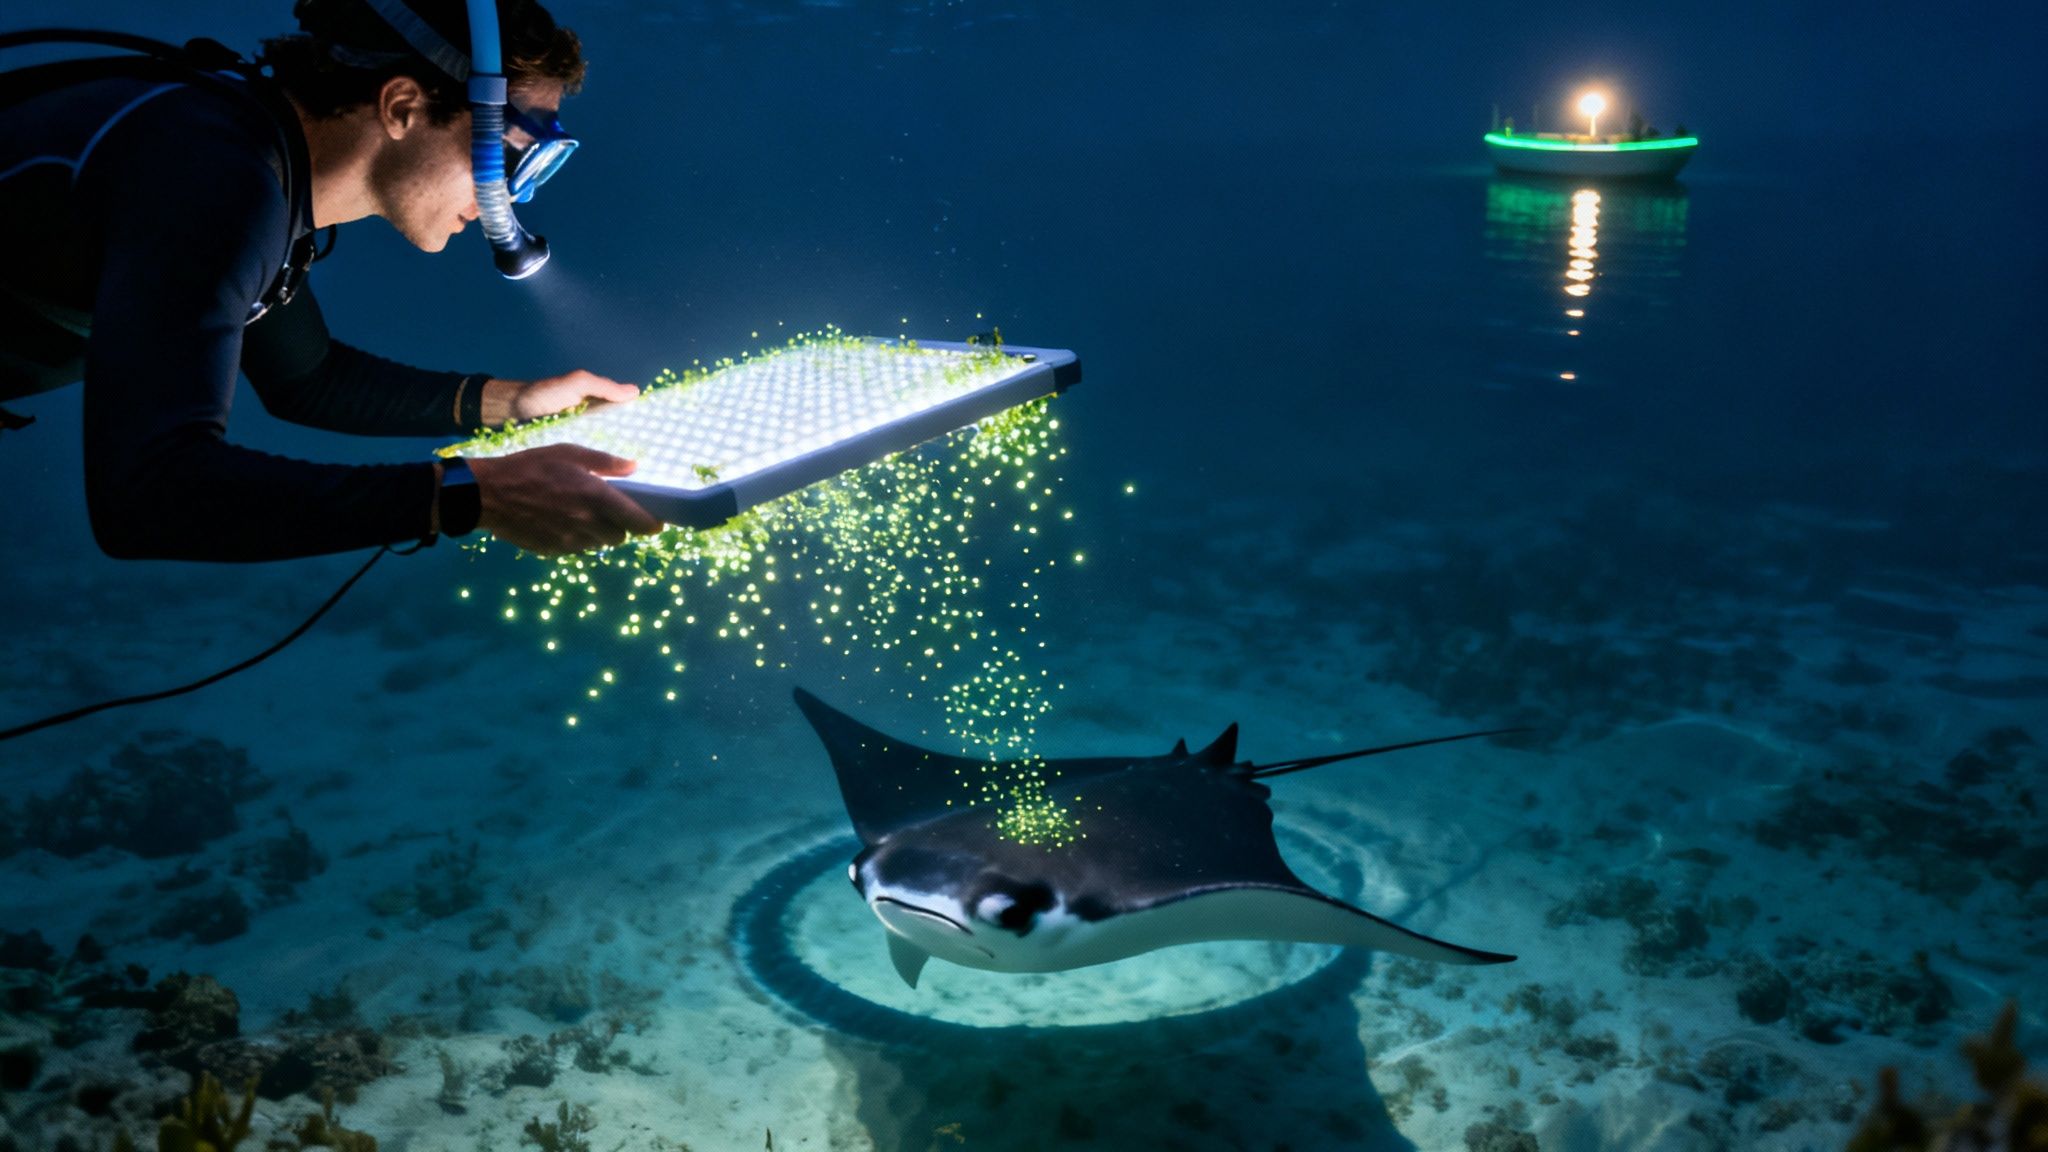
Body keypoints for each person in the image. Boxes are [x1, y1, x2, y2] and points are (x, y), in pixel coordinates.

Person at [0, 0, 663, 561]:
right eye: (517, 151)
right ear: (402, 106)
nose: (513, 197)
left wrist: (513, 406)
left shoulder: (252, 161)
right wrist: (469, 494)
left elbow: (307, 380)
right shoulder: (213, 183)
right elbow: (147, 494)